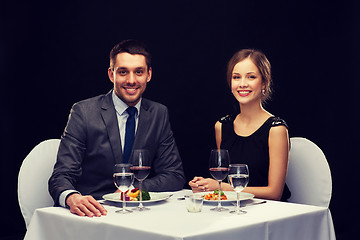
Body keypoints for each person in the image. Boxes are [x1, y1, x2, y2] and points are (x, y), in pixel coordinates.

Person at [49, 39, 186, 217]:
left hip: (141, 212)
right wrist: (72, 197)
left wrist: (133, 190)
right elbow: (61, 176)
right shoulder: (83, 112)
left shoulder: (158, 113)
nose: (131, 80)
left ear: (148, 75)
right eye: (123, 72)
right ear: (111, 74)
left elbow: (174, 175)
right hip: (93, 213)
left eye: (139, 72)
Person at [189, 49, 291, 201]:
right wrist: (204, 186)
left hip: (268, 212)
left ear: (264, 83)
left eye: (251, 77)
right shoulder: (221, 127)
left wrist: (220, 187)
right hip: (232, 209)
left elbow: (274, 193)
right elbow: (222, 180)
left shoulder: (276, 129)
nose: (242, 84)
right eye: (236, 77)